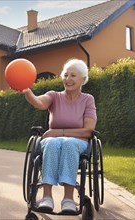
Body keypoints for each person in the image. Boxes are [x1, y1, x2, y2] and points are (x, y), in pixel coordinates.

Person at [22, 58, 97, 213]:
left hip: (78, 143)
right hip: (53, 142)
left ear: (83, 79)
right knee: (52, 143)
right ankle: (47, 197)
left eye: (73, 76)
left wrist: (58, 132)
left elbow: (88, 130)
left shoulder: (87, 100)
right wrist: (27, 90)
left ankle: (68, 199)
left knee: (68, 143)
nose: (68, 79)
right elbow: (38, 102)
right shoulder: (54, 96)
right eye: (65, 75)